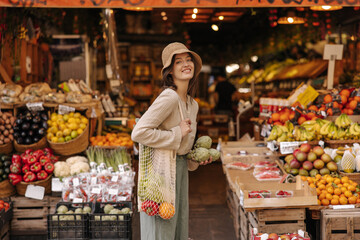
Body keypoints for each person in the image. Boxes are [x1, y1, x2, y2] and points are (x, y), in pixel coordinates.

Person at [131, 42, 212, 240]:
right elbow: (138, 132)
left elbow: (183, 149)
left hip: (180, 171)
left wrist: (196, 158)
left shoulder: (192, 105)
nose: (186, 64)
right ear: (170, 71)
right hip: (161, 174)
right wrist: (176, 133)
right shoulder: (169, 97)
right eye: (179, 62)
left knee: (178, 228)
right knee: (161, 230)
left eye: (188, 60)